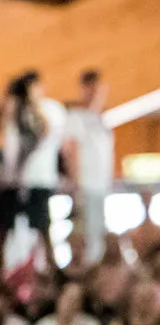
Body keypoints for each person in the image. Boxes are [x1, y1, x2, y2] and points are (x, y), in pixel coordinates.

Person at [4, 72, 65, 269]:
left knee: (41, 225)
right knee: (6, 226)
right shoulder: (14, 115)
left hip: (38, 179)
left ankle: (50, 267)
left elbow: (45, 133)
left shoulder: (47, 111)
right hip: (12, 182)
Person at [64, 72, 113, 270]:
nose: (94, 95)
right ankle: (87, 273)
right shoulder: (76, 118)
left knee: (99, 232)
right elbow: (72, 151)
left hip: (101, 186)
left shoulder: (103, 122)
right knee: (87, 233)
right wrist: (76, 184)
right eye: (90, 89)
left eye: (97, 90)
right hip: (86, 185)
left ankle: (96, 270)